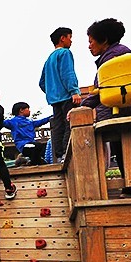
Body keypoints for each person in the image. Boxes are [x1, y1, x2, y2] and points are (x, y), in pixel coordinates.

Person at [80, 18, 131, 196]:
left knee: (129, 146)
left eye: (91, 41)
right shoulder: (117, 55)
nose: (89, 46)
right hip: (125, 110)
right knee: (126, 147)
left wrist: (82, 106)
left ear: (104, 39)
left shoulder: (113, 59)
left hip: (120, 111)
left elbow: (103, 89)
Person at [39, 27, 82, 162]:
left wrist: (52, 91)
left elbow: (42, 82)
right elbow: (68, 73)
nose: (71, 41)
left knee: (58, 127)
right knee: (70, 123)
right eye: (70, 37)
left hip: (54, 100)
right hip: (67, 96)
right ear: (62, 38)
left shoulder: (48, 59)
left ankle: (58, 156)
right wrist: (74, 91)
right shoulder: (65, 53)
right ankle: (67, 153)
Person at [4, 102, 52, 166]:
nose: (29, 111)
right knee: (37, 146)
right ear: (21, 110)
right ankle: (32, 163)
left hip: (31, 144)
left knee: (40, 151)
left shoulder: (30, 122)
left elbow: (41, 121)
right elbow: (0, 122)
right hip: (23, 145)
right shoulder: (12, 122)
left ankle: (36, 162)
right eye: (28, 109)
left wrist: (52, 116)